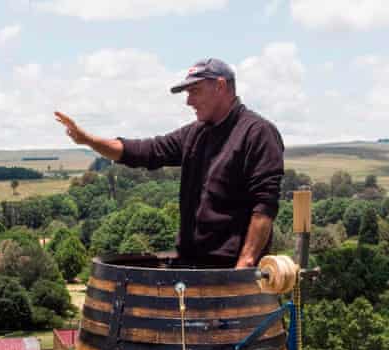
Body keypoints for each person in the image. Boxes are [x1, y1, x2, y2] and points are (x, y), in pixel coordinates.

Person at [55, 58, 284, 268]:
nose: (188, 101)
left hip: (231, 270)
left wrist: (245, 263)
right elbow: (144, 151)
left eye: (195, 91)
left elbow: (264, 207)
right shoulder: (195, 134)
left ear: (221, 86)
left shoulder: (257, 133)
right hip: (191, 265)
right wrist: (87, 139)